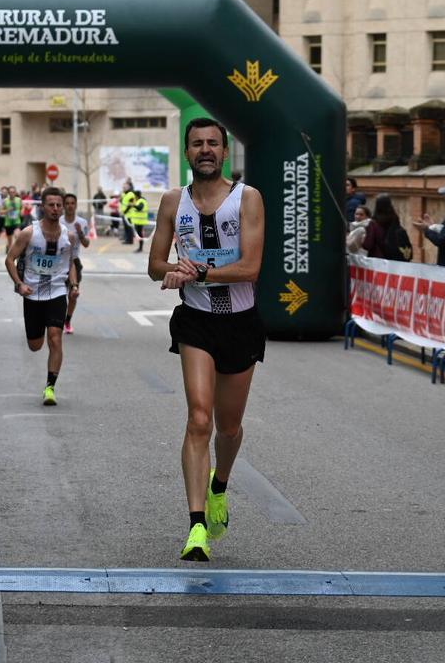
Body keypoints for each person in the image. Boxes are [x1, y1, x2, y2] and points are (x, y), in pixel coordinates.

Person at [148, 117, 266, 563]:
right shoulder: (172, 201)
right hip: (196, 320)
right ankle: (196, 526)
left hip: (240, 321)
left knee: (228, 427)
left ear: (224, 151)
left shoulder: (247, 199)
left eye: (213, 143)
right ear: (186, 152)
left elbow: (251, 269)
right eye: (197, 143)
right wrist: (171, 271)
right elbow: (155, 264)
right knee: (199, 418)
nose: (205, 150)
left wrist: (196, 270)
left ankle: (220, 485)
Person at [6, 187, 78, 406]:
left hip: (56, 292)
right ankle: (36, 342)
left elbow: (71, 263)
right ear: (43, 206)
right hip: (33, 294)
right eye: (51, 205)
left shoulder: (69, 236)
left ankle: (50, 387)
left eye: (59, 205)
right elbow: (10, 259)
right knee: (35, 345)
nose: (56, 209)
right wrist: (19, 284)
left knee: (55, 337)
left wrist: (73, 284)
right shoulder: (29, 233)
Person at [61, 193, 91, 334]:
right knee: (58, 294)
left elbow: (86, 244)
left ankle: (67, 320)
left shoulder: (82, 223)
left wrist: (80, 233)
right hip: (59, 260)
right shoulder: (59, 221)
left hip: (74, 260)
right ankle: (56, 319)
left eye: (72, 203)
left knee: (73, 294)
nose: (70, 206)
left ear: (76, 205)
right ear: (64, 205)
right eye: (67, 203)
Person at [361, 195, 412, 261]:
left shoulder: (374, 224)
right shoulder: (394, 219)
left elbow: (368, 245)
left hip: (378, 261)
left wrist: (362, 240)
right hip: (393, 260)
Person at [2, 186, 22, 252]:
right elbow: (1, 212)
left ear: (15, 192)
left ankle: (18, 252)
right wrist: (8, 210)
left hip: (17, 222)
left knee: (17, 236)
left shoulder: (19, 200)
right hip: (8, 223)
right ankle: (8, 247)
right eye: (10, 192)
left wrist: (21, 212)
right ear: (8, 193)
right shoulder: (5, 201)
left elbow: (22, 208)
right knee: (10, 241)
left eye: (13, 192)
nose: (12, 193)